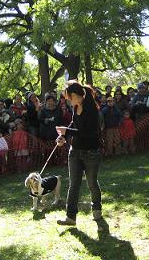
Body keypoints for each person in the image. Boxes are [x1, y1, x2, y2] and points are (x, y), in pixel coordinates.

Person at [55, 80, 102, 226]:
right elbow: (74, 125)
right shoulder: (76, 108)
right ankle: (70, 217)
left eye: (69, 98)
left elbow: (89, 133)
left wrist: (67, 131)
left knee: (91, 183)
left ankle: (97, 208)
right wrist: (63, 136)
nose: (69, 101)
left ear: (75, 95)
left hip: (91, 152)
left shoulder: (93, 110)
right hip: (75, 151)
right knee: (73, 184)